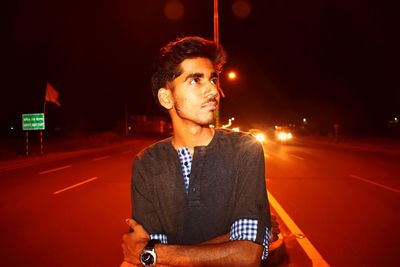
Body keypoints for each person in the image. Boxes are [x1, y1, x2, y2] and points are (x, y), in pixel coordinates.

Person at [121, 36, 271, 267]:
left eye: (213, 79)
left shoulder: (245, 150)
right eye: (195, 80)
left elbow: (247, 255)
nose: (213, 89)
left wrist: (155, 253)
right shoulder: (147, 162)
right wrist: (228, 243)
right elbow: (148, 259)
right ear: (166, 97)